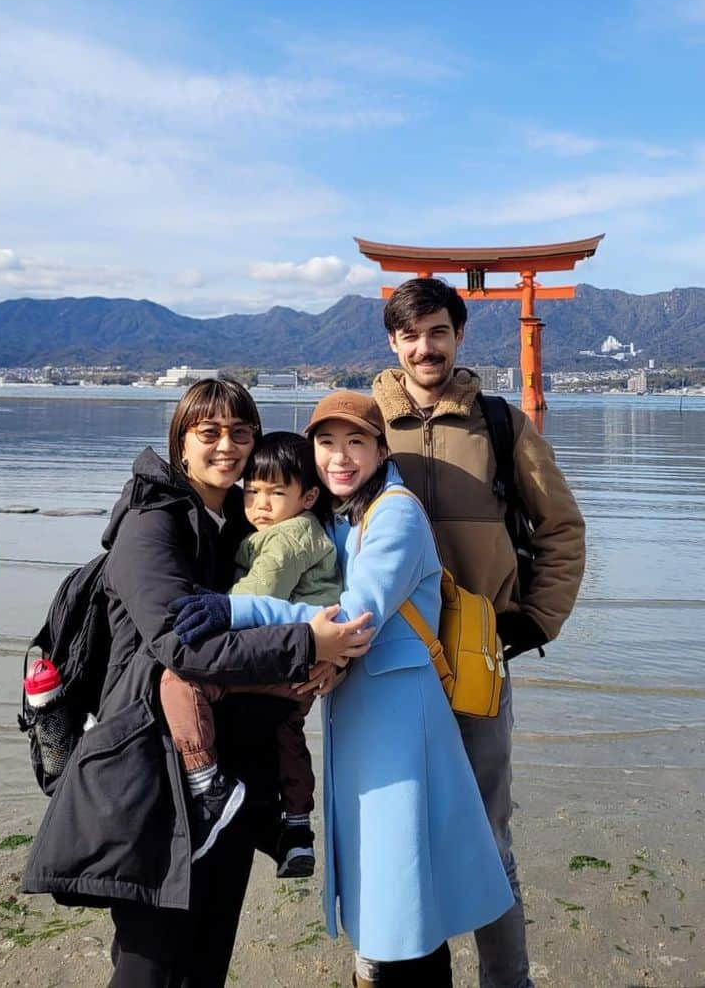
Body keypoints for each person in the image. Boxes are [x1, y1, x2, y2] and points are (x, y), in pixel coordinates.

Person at [22, 378, 373, 988]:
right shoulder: (150, 527)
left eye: (242, 432)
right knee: (148, 967)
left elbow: (292, 600)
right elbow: (184, 645)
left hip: (229, 778)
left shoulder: (244, 525)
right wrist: (308, 643)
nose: (227, 446)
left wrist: (330, 658)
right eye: (208, 432)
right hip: (150, 774)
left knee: (208, 963)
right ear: (181, 443)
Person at [172, 391, 515, 988]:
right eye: (326, 443)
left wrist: (235, 609)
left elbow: (354, 617)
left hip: (400, 720)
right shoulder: (345, 517)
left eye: (356, 442)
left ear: (382, 449)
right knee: (390, 888)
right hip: (366, 711)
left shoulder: (397, 513)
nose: (340, 456)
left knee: (403, 891)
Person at [371, 277, 587, 988]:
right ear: (393, 342)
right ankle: (393, 970)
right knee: (392, 829)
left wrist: (536, 618)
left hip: (476, 661)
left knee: (488, 836)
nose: (424, 346)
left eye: (437, 331)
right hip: (384, 663)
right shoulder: (365, 422)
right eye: (411, 334)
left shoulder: (499, 423)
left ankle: (507, 980)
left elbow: (561, 527)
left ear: (459, 337)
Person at [158, 430, 341, 876]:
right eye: (252, 491)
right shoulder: (302, 530)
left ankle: (207, 783)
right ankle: (298, 829)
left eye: (276, 493)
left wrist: (216, 601)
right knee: (288, 734)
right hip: (303, 666)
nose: (260, 504)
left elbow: (258, 594)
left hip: (284, 654)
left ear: (309, 496)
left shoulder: (287, 540)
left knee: (178, 682)